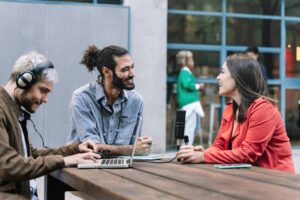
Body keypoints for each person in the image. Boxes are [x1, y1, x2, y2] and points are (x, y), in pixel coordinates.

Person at [0, 52, 100, 199]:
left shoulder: (13, 109)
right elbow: (7, 165)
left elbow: (31, 155)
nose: (45, 99)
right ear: (24, 80)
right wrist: (63, 161)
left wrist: (75, 149)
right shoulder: (2, 109)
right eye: (43, 91)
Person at [177, 54, 295, 173]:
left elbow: (248, 154)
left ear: (237, 77)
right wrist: (204, 153)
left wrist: (204, 157)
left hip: (277, 180)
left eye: (222, 72)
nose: (218, 77)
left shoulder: (263, 109)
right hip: (250, 177)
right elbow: (219, 145)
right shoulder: (230, 108)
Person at [67, 45, 152, 156]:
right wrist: (131, 150)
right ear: (106, 71)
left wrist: (142, 144)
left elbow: (133, 146)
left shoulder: (136, 101)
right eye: (125, 69)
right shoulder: (82, 98)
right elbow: (91, 147)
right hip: (84, 166)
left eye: (132, 67)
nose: (132, 74)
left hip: (119, 167)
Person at [176, 50, 205, 145]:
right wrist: (198, 86)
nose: (193, 62)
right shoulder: (184, 72)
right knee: (189, 126)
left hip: (188, 103)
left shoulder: (185, 72)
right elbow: (187, 84)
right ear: (186, 61)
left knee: (189, 126)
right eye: (191, 59)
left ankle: (186, 146)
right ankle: (186, 146)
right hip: (189, 103)